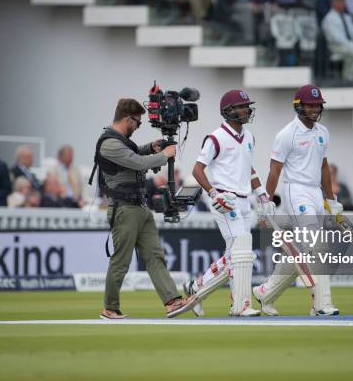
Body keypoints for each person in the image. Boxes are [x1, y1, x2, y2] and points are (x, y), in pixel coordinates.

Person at [91, 98, 192, 319]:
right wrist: (164, 155)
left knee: (156, 256)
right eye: (137, 122)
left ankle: (172, 301)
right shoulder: (109, 143)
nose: (138, 127)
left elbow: (136, 153)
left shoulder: (120, 140)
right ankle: (110, 308)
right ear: (128, 118)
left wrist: (152, 147)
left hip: (139, 206)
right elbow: (136, 162)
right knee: (121, 261)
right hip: (124, 209)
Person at [182, 89, 274, 317]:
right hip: (225, 200)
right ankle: (241, 305)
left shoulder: (250, 137)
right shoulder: (216, 138)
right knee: (242, 250)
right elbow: (197, 169)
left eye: (247, 106)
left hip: (245, 201)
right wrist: (214, 193)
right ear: (228, 111)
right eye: (242, 107)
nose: (247, 110)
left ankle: (197, 288)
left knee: (235, 255)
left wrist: (262, 193)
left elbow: (248, 168)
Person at [252, 85, 343, 316]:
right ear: (299, 106)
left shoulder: (323, 132)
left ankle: (265, 292)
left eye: (317, 105)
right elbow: (274, 171)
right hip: (295, 191)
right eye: (310, 105)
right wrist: (266, 202)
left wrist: (331, 199)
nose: (314, 109)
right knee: (317, 244)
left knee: (303, 250)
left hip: (315, 193)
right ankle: (321, 304)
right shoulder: (286, 135)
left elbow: (323, 167)